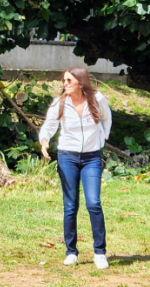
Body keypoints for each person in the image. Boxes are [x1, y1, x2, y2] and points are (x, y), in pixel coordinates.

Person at [39, 67, 113, 269]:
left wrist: (101, 140)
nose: (65, 84)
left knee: (94, 203)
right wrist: (45, 141)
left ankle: (100, 253)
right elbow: (48, 126)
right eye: (64, 81)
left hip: (92, 158)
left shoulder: (97, 99)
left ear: (81, 82)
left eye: (69, 81)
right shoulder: (60, 103)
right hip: (67, 157)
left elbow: (106, 119)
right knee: (70, 206)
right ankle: (71, 252)